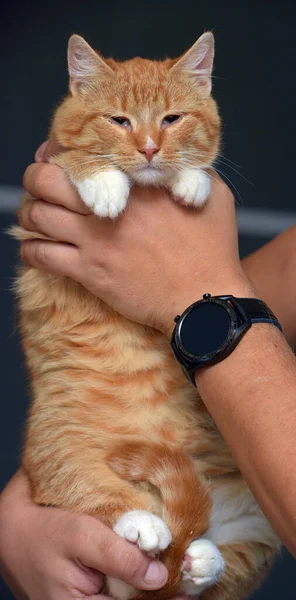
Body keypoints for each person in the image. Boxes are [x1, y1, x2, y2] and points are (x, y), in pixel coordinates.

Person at [1, 141, 296, 600]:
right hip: (146, 480)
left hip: (210, 520)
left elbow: (204, 296)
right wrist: (27, 504)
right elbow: (247, 308)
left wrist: (200, 291)